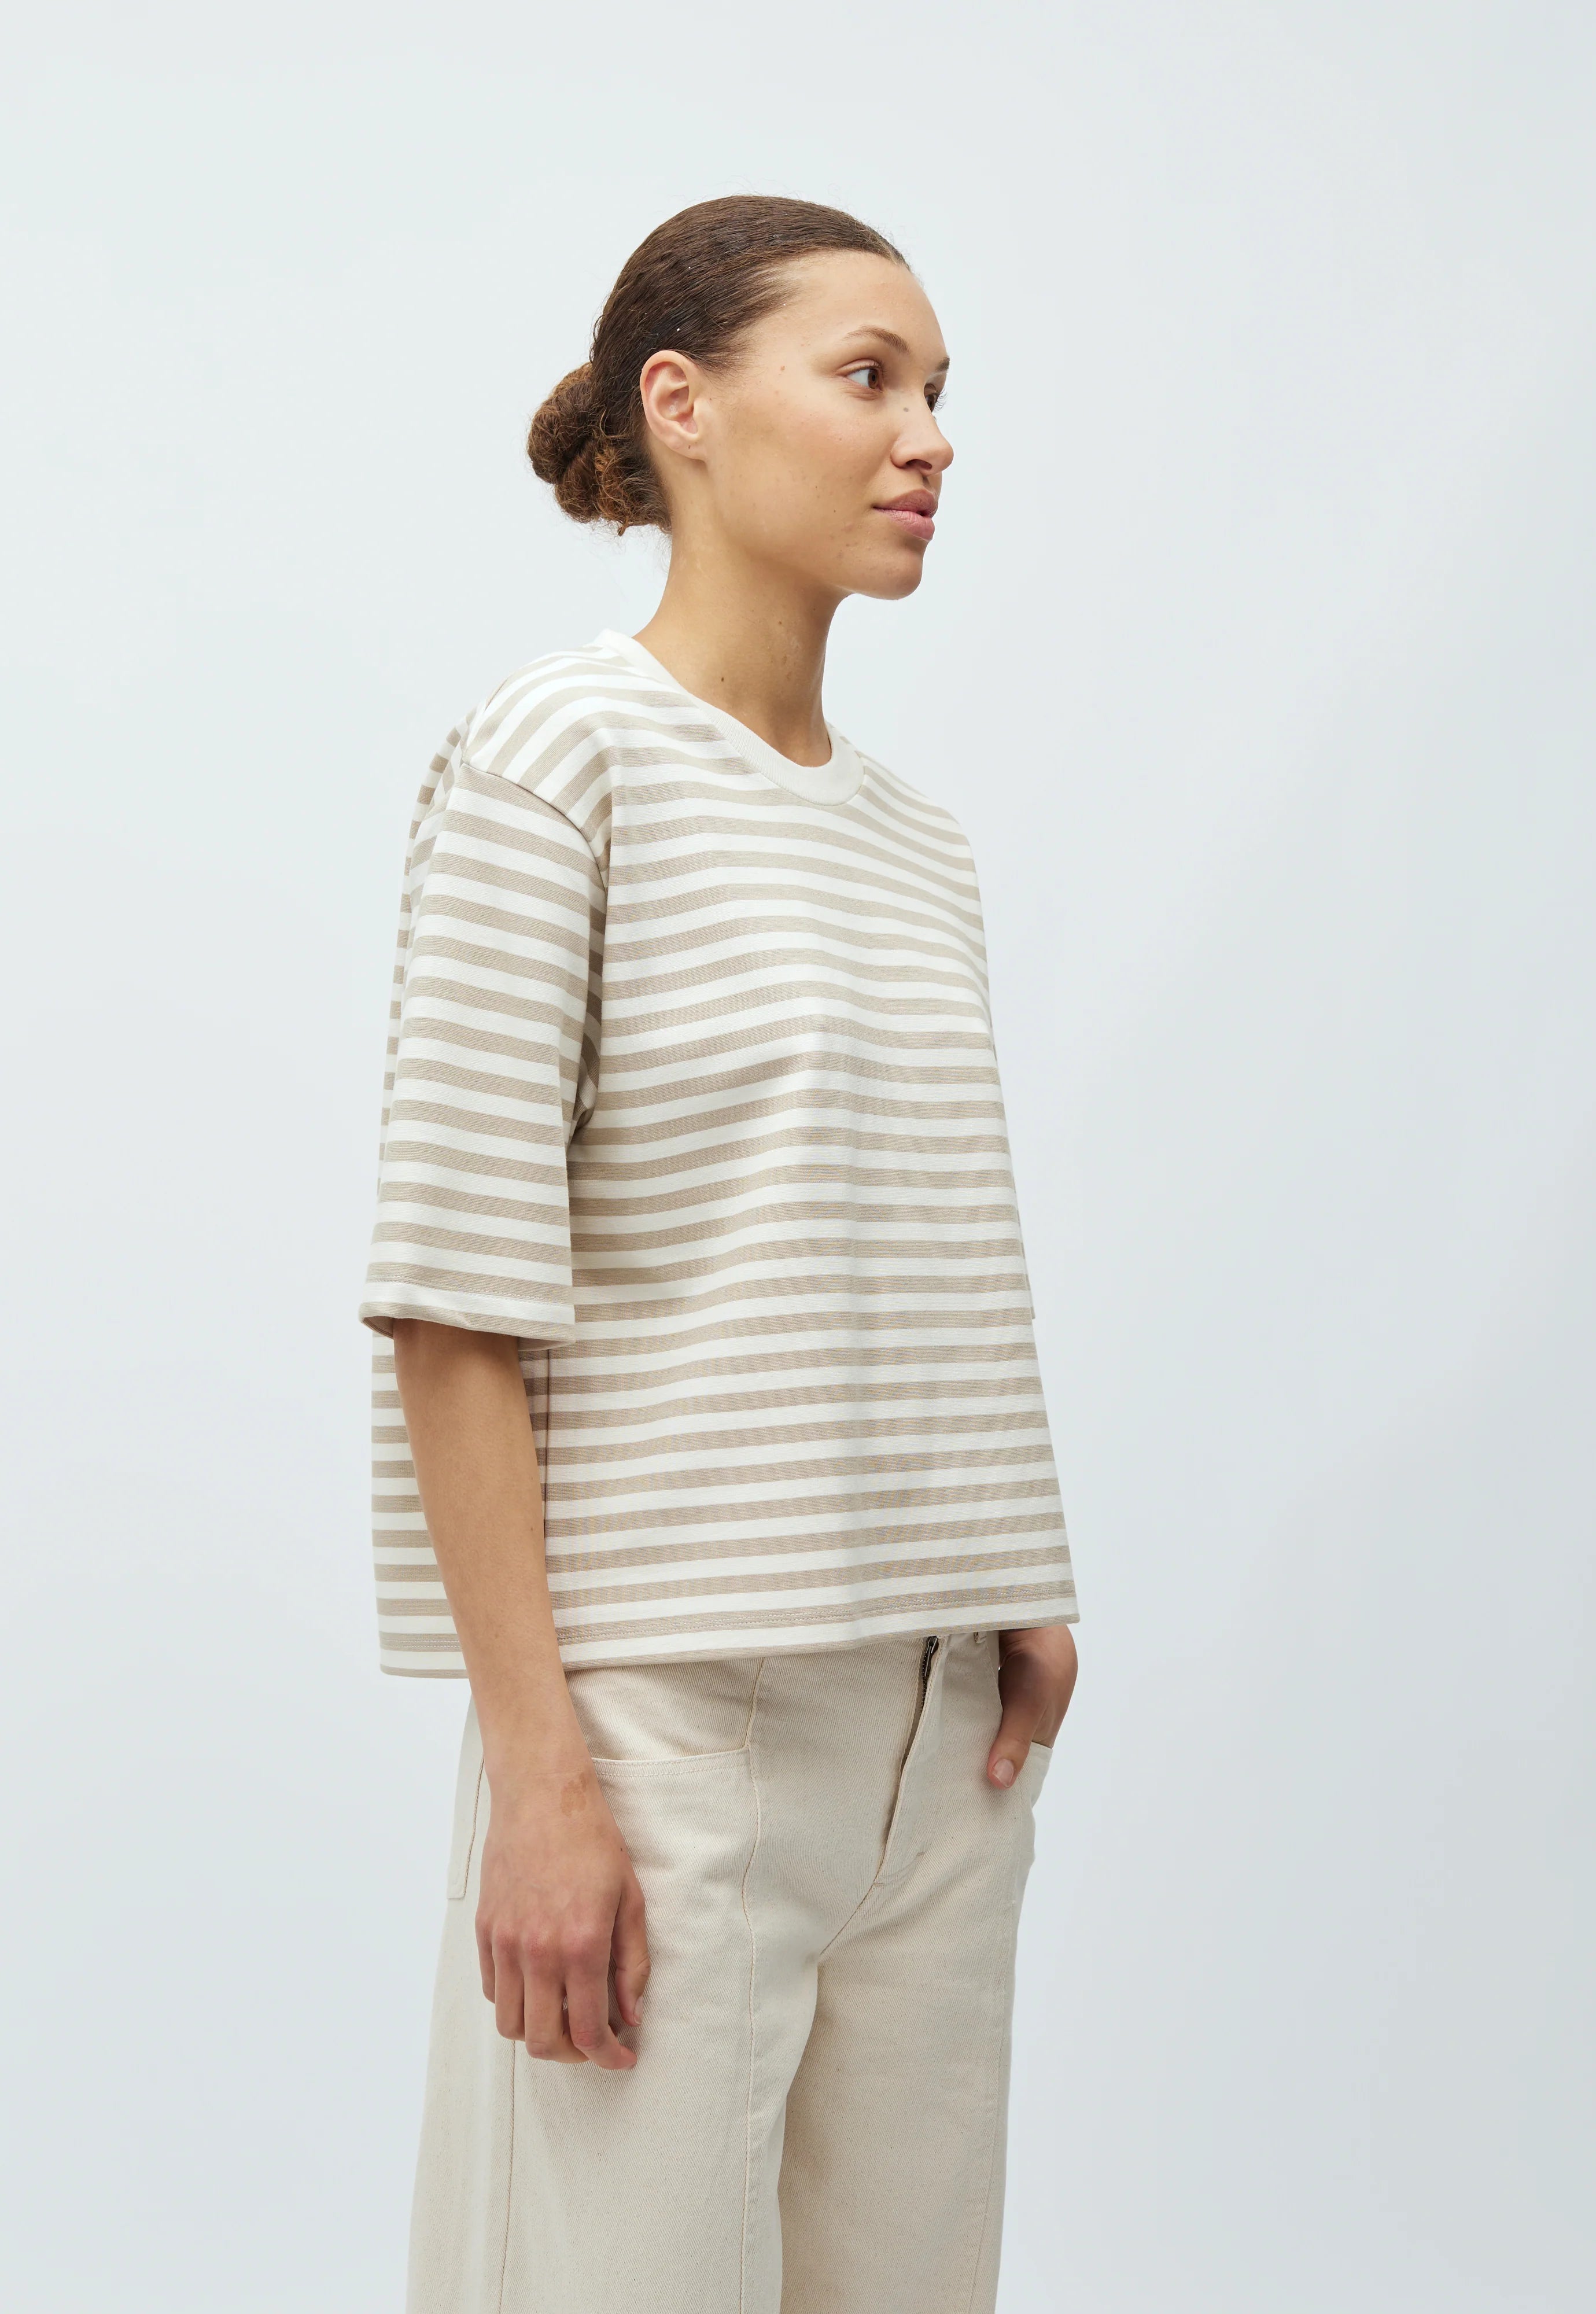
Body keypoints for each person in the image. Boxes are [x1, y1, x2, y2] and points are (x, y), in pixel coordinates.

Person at [357, 191, 1081, 2314]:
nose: (927, 434)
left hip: (942, 1736)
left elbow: (900, 1238)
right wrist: (542, 1780)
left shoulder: (918, 843)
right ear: (680, 406)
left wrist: (1012, 1562)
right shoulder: (558, 759)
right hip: (673, 1728)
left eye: (939, 389)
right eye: (868, 377)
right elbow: (455, 1299)